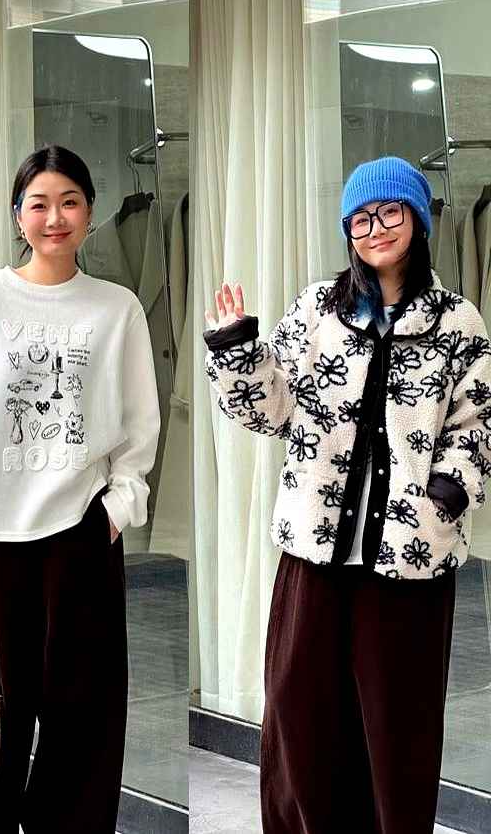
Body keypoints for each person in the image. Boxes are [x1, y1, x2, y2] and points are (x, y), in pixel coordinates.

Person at [203, 156, 491, 834]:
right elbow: (271, 412)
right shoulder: (316, 311)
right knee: (302, 717)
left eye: (390, 212)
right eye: (360, 219)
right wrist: (237, 350)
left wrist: (447, 492)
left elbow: (479, 420)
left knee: (398, 729)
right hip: (315, 554)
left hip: (410, 561)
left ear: (417, 221)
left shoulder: (458, 321)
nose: (376, 229)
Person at [0, 144, 161, 832]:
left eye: (70, 202)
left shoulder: (116, 308)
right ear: (18, 215)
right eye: (40, 204)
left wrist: (118, 508)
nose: (55, 218)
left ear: (90, 212)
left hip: (81, 537)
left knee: (83, 721)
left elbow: (139, 424)